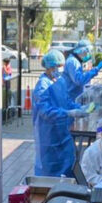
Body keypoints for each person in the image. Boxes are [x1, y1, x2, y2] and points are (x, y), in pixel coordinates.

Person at [32, 49, 86, 177]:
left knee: (68, 165)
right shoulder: (42, 86)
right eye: (59, 66)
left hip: (63, 132)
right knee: (49, 170)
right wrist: (68, 113)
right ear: (50, 67)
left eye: (62, 66)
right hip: (48, 135)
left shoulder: (60, 81)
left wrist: (80, 108)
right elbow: (45, 112)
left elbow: (66, 100)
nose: (61, 69)